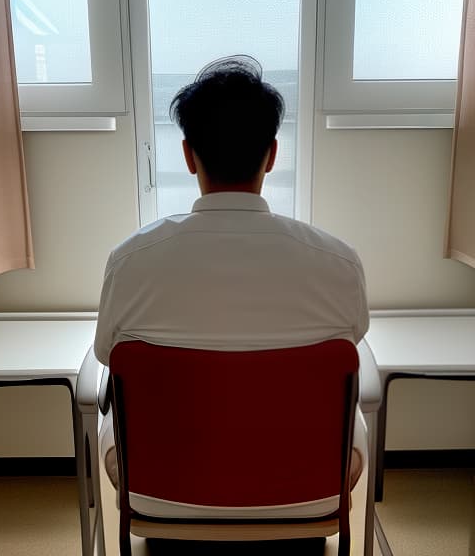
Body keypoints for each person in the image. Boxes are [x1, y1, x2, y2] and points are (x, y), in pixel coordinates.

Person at [94, 55, 369, 518]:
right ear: (273, 154)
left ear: (187, 155)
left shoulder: (130, 261)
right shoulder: (338, 262)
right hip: (311, 490)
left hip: (158, 488)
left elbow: (106, 356)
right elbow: (353, 344)